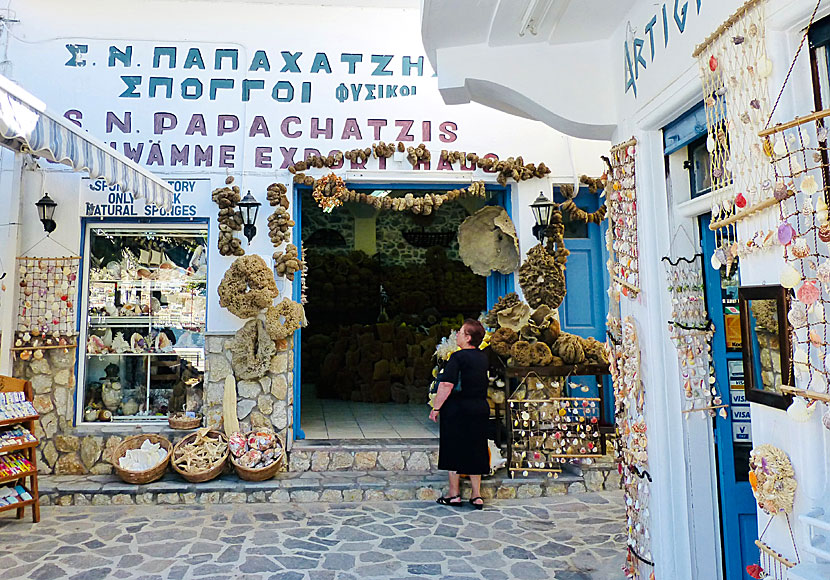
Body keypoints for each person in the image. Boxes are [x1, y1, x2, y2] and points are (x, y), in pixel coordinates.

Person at [429, 319, 490, 509]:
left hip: (458, 409)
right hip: (479, 407)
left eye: (460, 332)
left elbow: (447, 385)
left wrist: (436, 407)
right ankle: (476, 495)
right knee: (476, 447)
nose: (456, 335)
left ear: (468, 337)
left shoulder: (457, 358)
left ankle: (454, 494)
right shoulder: (483, 357)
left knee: (453, 448)